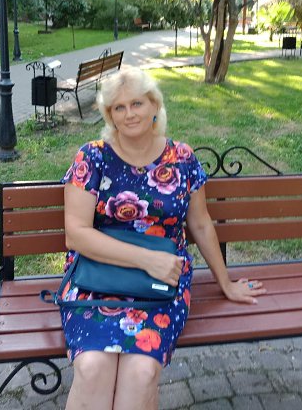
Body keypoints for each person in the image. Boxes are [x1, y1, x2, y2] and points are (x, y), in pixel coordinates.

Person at [61, 67, 266, 410]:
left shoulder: (181, 158)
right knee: (93, 367)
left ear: (155, 105)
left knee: (141, 371)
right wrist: (146, 259)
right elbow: (76, 235)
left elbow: (200, 224)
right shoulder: (92, 157)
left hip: (162, 283)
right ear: (110, 115)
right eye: (119, 107)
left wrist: (226, 283)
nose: (129, 114)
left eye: (137, 103)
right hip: (97, 280)